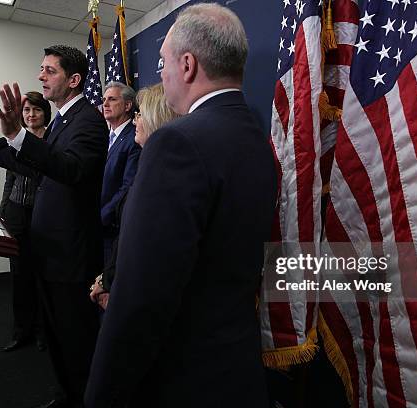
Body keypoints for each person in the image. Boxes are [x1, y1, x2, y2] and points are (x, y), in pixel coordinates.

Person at [84, 4, 277, 408]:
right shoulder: (257, 138)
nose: (161, 75)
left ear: (187, 65)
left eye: (162, 62)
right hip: (235, 367)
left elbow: (142, 294)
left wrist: (100, 394)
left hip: (181, 376)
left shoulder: (177, 143)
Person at [0, 45, 108, 408]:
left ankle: (85, 398)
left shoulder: (89, 121)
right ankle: (67, 394)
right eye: (41, 68)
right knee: (59, 337)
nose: (41, 76)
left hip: (71, 255)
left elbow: (71, 169)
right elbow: (41, 169)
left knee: (77, 340)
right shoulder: (62, 119)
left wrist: (19, 135)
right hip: (51, 251)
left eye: (50, 70)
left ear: (74, 80)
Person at [89, 83, 179, 310]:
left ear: (156, 120)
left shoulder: (162, 177)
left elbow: (140, 236)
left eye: (140, 114)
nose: (136, 120)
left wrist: (109, 281)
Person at [0, 91, 50, 353]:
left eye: (36, 110)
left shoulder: (52, 139)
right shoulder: (14, 141)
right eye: (26, 111)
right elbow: (10, 179)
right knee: (19, 277)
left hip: (41, 216)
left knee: (41, 276)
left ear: (44, 113)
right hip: (16, 213)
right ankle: (21, 331)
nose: (31, 115)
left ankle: (42, 332)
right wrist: (3, 211)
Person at [100, 81, 141, 266]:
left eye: (112, 99)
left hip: (113, 227)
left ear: (127, 105)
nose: (105, 104)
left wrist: (102, 216)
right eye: (104, 99)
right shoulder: (103, 136)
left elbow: (128, 186)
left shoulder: (134, 138)